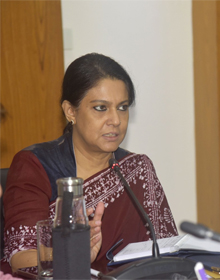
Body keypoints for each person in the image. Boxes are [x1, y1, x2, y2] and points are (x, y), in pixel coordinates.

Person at [1, 53, 178, 273]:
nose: (115, 120)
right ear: (70, 111)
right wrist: (74, 252)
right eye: (101, 108)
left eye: (122, 107)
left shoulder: (137, 168)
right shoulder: (35, 165)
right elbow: (21, 258)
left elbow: (167, 252)